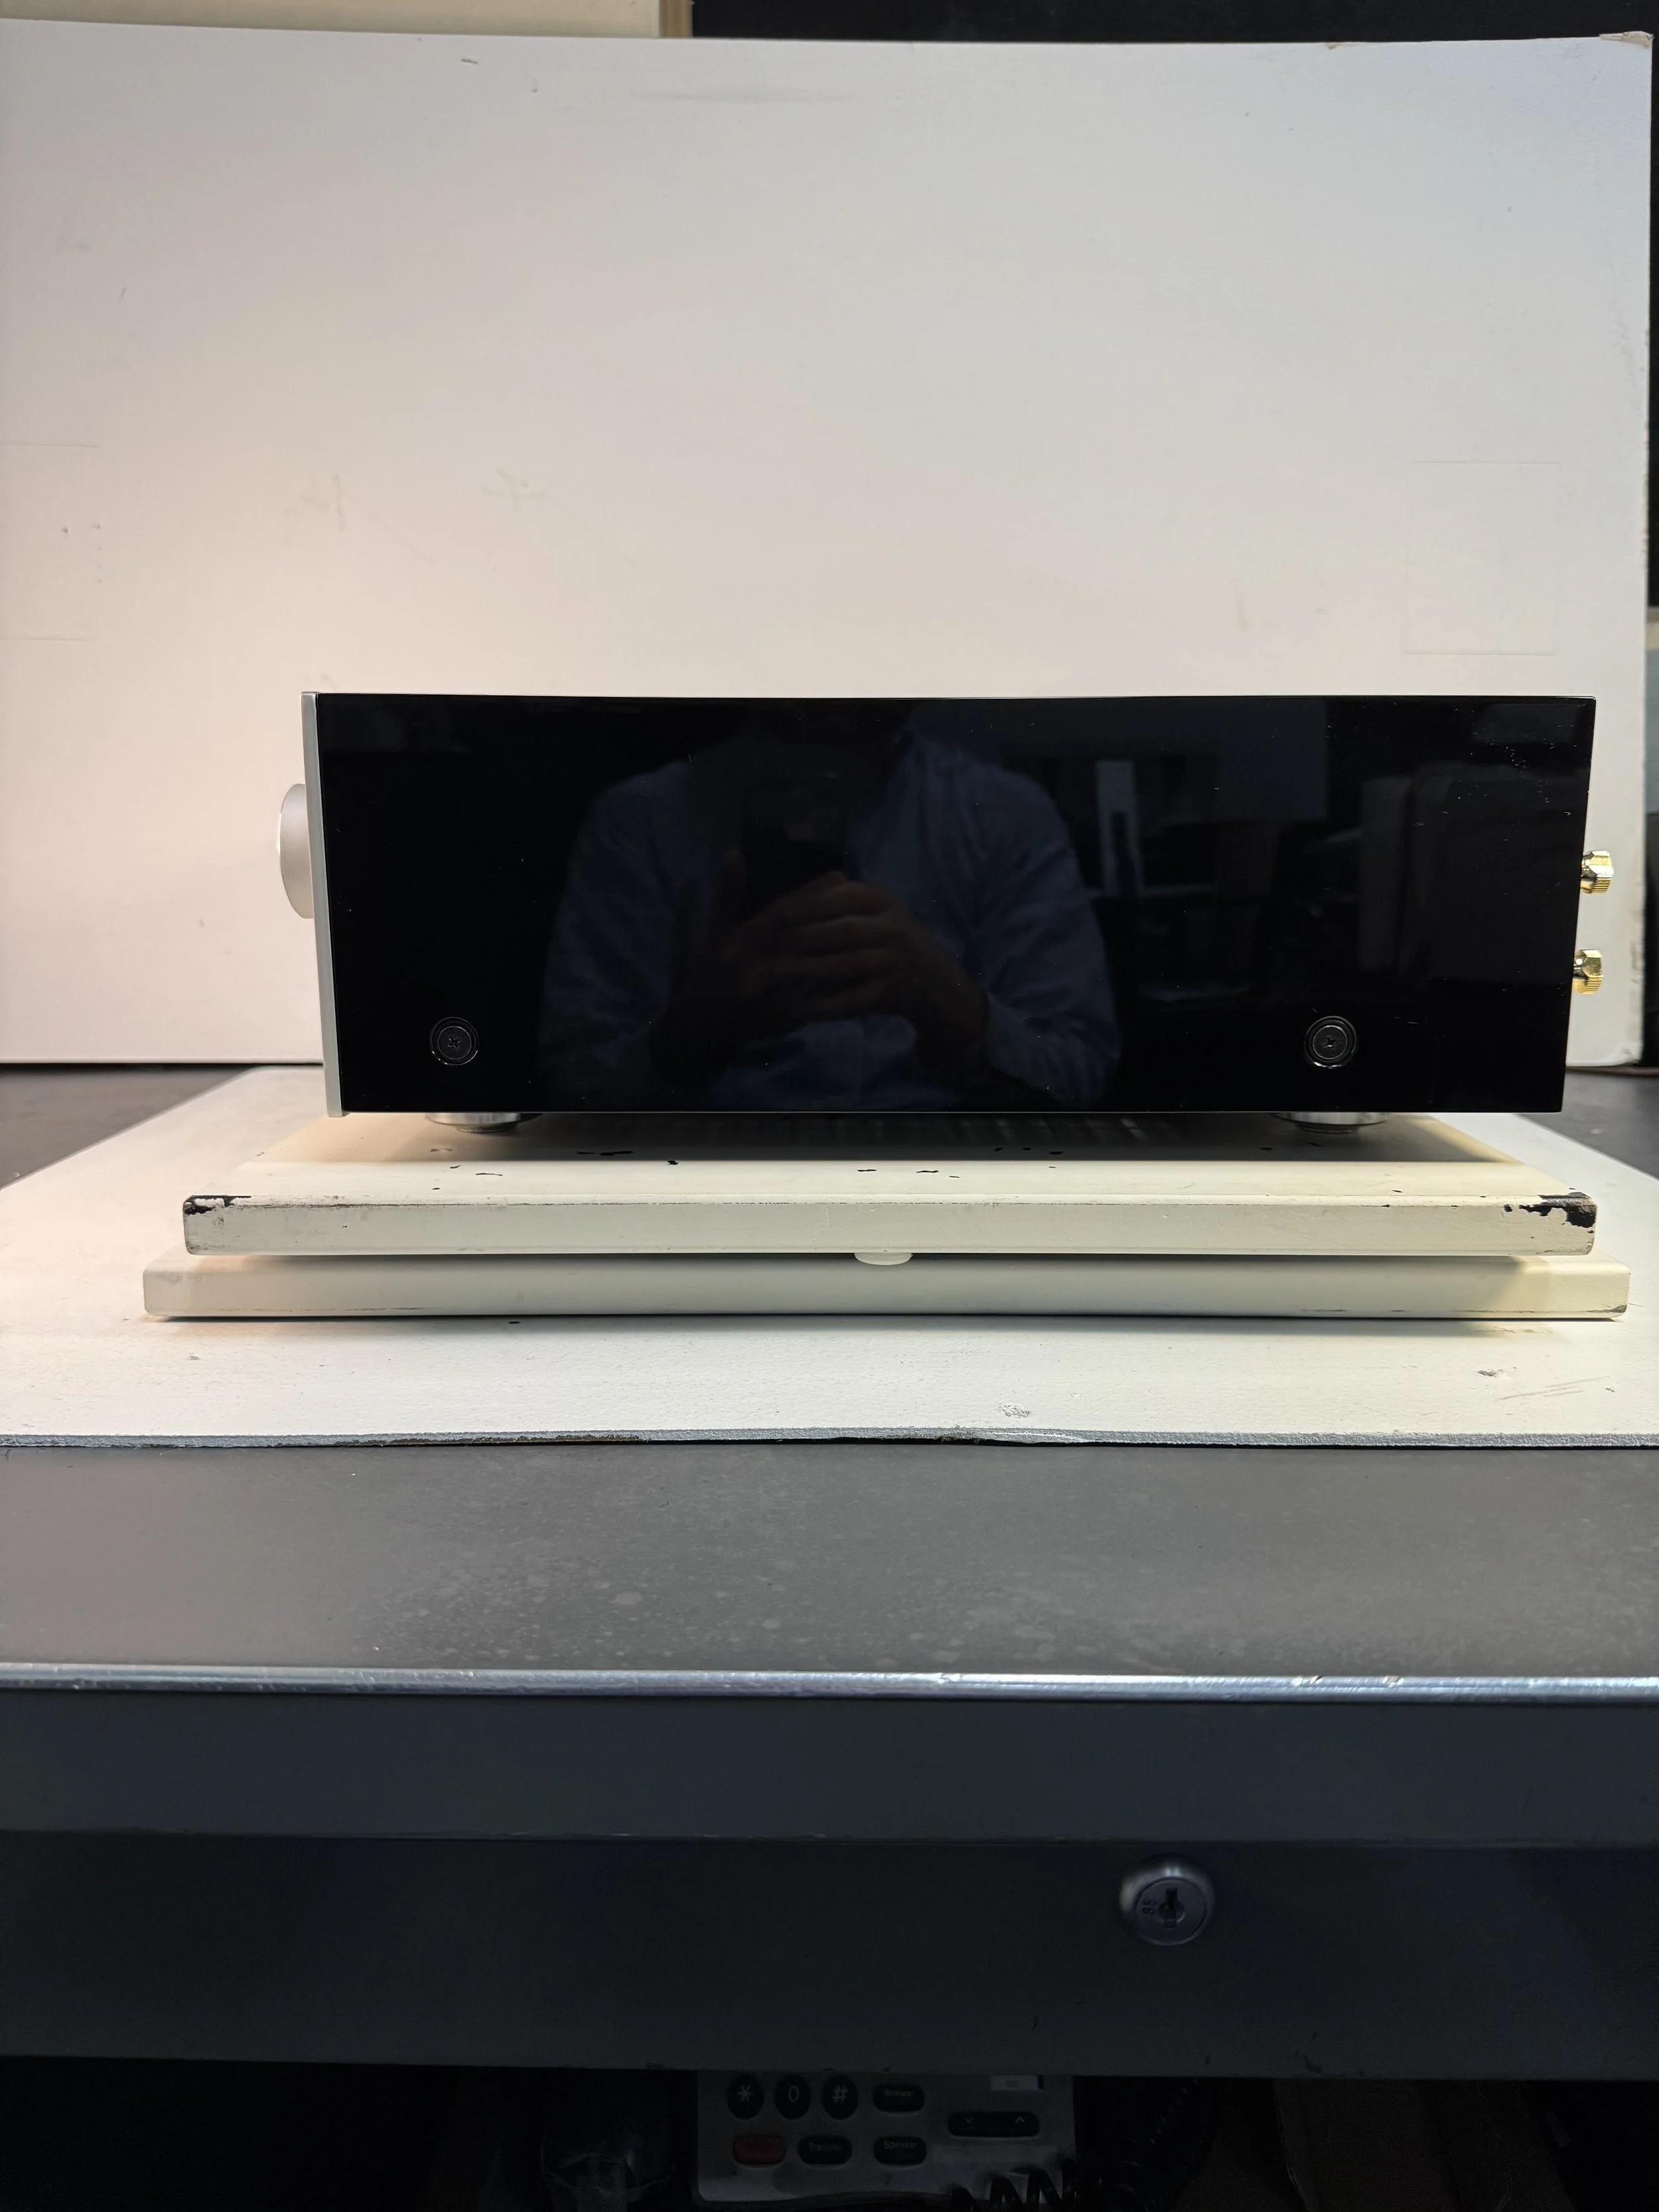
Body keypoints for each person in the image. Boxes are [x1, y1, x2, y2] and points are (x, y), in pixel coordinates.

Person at [539, 704, 1117, 1111]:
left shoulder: (1008, 815)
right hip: (715, 1174)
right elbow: (574, 1086)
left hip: (940, 1172)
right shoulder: (640, 820)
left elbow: (1079, 1069)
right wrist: (696, 1027)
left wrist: (940, 997)